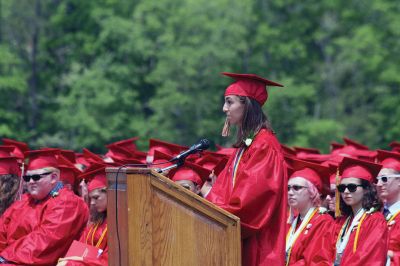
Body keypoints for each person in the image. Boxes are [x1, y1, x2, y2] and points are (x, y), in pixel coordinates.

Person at [205, 72, 287, 265]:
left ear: (246, 104)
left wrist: (210, 208)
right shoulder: (247, 145)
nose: (224, 108)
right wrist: (206, 205)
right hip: (237, 243)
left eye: (229, 102)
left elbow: (248, 206)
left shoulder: (265, 145)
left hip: (258, 247)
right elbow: (222, 190)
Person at [0, 149, 89, 265]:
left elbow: (46, 240)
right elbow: (2, 230)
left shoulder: (68, 203)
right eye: (27, 178)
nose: (31, 182)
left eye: (36, 177)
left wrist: (5, 257)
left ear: (53, 177)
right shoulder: (25, 200)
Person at [333, 157, 388, 265]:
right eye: (342, 188)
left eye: (352, 187)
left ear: (366, 189)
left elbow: (370, 259)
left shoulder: (375, 221)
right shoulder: (341, 222)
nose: (346, 191)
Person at [285, 158, 334, 265]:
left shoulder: (323, 221)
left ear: (312, 191)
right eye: (288, 188)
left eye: (296, 188)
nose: (290, 192)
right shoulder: (293, 222)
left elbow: (318, 261)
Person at [58, 165, 108, 266]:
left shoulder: (120, 224)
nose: (92, 203)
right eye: (91, 199)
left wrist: (74, 263)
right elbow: (82, 246)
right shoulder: (96, 220)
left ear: (110, 193)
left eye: (96, 197)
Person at [376, 150, 400, 265]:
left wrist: (389, 254)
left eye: (384, 178)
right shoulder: (375, 214)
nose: (379, 184)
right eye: (377, 179)